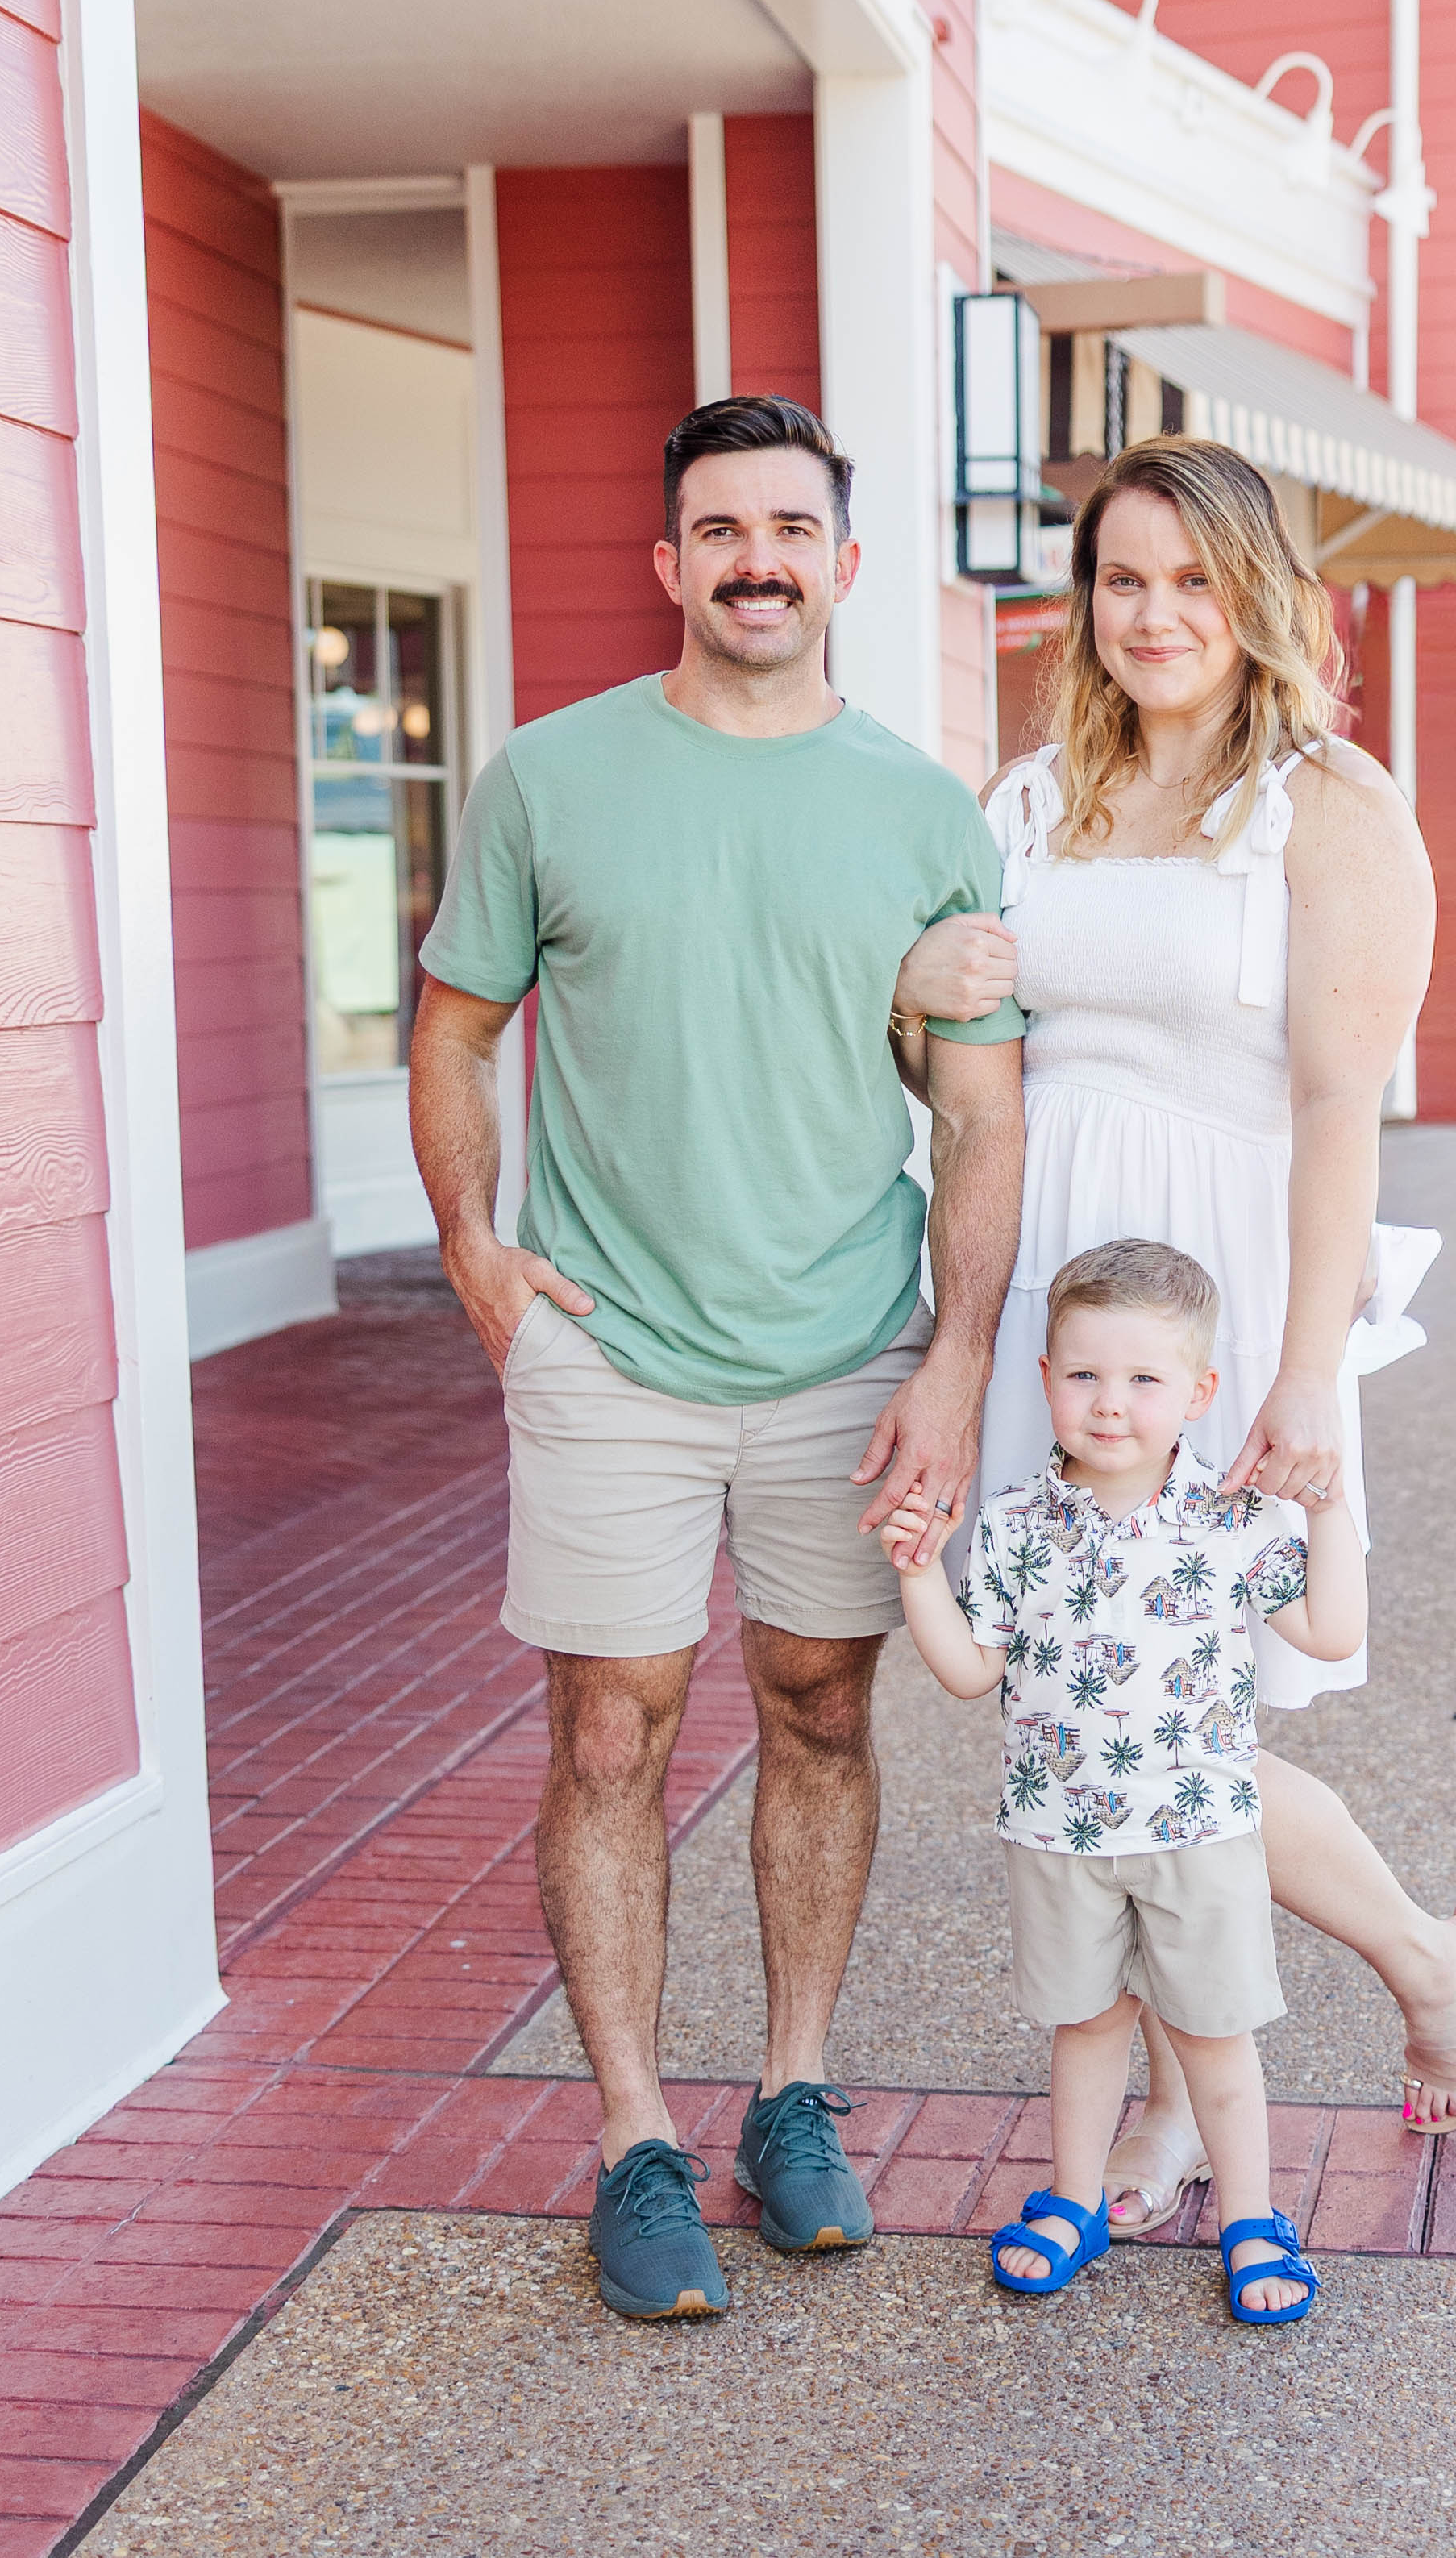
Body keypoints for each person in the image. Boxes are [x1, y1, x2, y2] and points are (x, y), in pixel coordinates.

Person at [408, 393, 1025, 2321]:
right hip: (611, 1350)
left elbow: (982, 1123)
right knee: (611, 1731)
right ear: (669, 562)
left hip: (848, 1343)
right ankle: (629, 2134)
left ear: (842, 565)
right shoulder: (548, 779)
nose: (755, 556)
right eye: (717, 527)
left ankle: (791, 2095)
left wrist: (953, 1360)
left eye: (790, 526)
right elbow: (449, 1032)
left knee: (824, 1710)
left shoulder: (925, 811)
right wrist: (475, 1254)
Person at [888, 435, 1456, 2223]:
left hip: (1225, 1290)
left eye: (1191, 577)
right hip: (1052, 1298)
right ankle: (1168, 2109)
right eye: (1121, 577)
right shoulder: (1020, 801)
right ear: (1084, 603)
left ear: (1260, 599)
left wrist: (1305, 1364)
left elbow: (1338, 1112)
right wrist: (910, 1002)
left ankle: (1422, 1961)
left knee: (1203, 1724)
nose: (1154, 613)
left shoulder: (1331, 805)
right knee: (1100, 1714)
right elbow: (955, 1069)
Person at [884, 1238, 1362, 2322]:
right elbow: (968, 1672)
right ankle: (1071, 2199)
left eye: (1144, 1380)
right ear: (1044, 1380)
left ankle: (1250, 2219)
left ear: (1196, 1393)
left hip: (1196, 1831)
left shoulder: (1232, 1520)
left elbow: (1331, 1632)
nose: (1111, 1405)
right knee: (1085, 2027)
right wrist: (918, 1575)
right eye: (1086, 1376)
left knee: (1212, 2035)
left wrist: (1326, 1512)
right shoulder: (1013, 1524)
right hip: (1059, 1836)